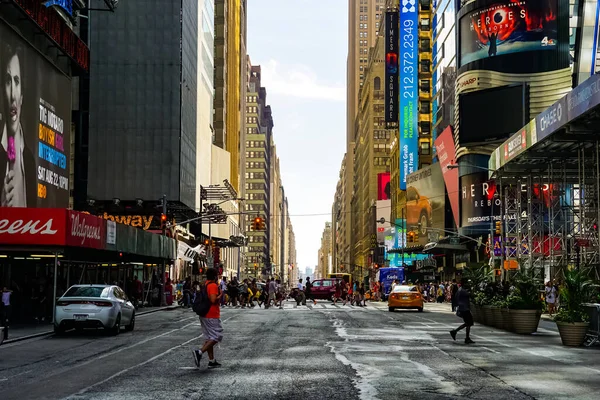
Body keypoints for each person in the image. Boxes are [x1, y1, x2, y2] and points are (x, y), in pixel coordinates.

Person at [1, 43, 35, 207]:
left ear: (21, 97)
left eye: (16, 81)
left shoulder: (29, 161)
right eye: (8, 81)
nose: (13, 95)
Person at [193, 268, 223, 368]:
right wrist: (220, 295)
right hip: (211, 314)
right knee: (216, 336)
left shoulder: (205, 284)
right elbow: (213, 299)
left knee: (209, 337)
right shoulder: (213, 285)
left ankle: (211, 360)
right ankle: (199, 352)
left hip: (204, 314)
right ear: (215, 276)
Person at [449, 280, 475, 344]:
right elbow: (472, 295)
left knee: (468, 323)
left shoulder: (459, 290)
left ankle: (466, 337)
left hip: (462, 308)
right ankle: (456, 332)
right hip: (464, 308)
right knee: (469, 323)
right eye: (467, 283)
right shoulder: (463, 291)